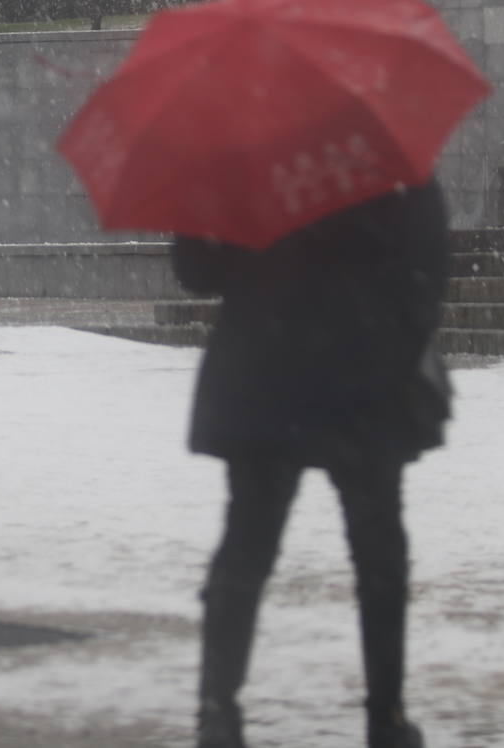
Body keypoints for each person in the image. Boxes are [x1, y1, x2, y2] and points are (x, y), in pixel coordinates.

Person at [173, 178, 453, 748]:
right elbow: (427, 271)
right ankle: (387, 717)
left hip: (265, 375)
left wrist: (199, 217)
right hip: (365, 380)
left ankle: (218, 711)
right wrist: (393, 332)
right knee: (379, 558)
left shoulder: (244, 161)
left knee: (247, 548)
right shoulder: (387, 162)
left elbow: (199, 273)